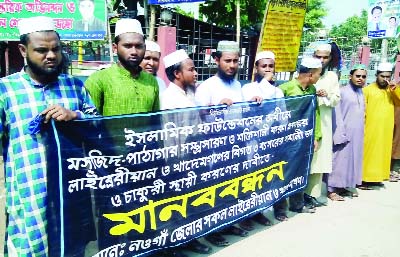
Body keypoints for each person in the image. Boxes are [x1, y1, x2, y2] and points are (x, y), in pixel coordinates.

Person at [0, 16, 98, 257]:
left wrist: (75, 116)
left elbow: (98, 125)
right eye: (42, 50)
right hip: (29, 194)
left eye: (56, 49)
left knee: (72, 247)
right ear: (23, 50)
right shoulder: (5, 90)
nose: (51, 56)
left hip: (71, 194)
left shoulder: (75, 86)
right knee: (30, 248)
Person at [195, 40, 259, 247]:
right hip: (215, 146)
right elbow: (197, 117)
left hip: (236, 143)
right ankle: (212, 230)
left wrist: (253, 103)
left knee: (233, 185)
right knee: (215, 187)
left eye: (235, 61)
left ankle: (228, 223)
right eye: (227, 61)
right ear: (216, 60)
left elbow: (240, 111)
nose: (232, 65)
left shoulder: (238, 85)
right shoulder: (207, 87)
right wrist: (217, 108)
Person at [159, 49, 212, 256]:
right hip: (177, 162)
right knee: (175, 204)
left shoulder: (190, 93)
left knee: (191, 202)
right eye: (191, 69)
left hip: (194, 159)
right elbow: (169, 137)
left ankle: (191, 239)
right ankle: (175, 245)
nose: (196, 73)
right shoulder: (169, 99)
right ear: (177, 74)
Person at [273, 57, 322, 217]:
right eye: (318, 74)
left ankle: (297, 205)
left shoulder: (312, 90)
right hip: (285, 140)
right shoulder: (285, 89)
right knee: (283, 173)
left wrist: (316, 136)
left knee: (300, 172)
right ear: (310, 74)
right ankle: (279, 209)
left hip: (304, 139)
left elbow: (315, 113)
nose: (319, 78)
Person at [239, 50, 281, 229]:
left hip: (269, 142)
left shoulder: (277, 91)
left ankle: (259, 211)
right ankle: (246, 214)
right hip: (252, 142)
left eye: (270, 66)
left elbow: (282, 115)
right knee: (249, 177)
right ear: (256, 68)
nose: (267, 69)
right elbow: (246, 114)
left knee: (264, 178)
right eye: (263, 66)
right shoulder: (247, 89)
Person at [85, 18, 159, 116]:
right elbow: (89, 121)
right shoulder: (98, 80)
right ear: (115, 48)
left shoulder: (151, 81)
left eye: (139, 46)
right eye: (127, 46)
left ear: (144, 47)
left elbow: (156, 121)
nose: (134, 52)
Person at [304, 43, 340, 207]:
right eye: (318, 56)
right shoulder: (305, 72)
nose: (322, 60)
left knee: (319, 161)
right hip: (306, 122)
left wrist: (325, 96)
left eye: (325, 57)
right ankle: (298, 194)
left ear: (330, 58)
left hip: (324, 123)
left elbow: (336, 99)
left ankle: (312, 194)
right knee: (304, 159)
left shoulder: (332, 77)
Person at [326, 64, 367, 201]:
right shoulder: (342, 91)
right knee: (338, 161)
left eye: (363, 76)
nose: (360, 79)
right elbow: (337, 114)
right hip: (343, 132)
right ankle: (331, 190)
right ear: (350, 76)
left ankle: (343, 186)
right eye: (358, 76)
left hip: (357, 134)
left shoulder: (361, 92)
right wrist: (339, 133)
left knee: (351, 161)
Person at [360, 62, 400, 189]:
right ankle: (364, 179)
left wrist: (394, 89)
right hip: (371, 129)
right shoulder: (367, 90)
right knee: (369, 154)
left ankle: (377, 178)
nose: (385, 79)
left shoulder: (391, 90)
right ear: (377, 75)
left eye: (388, 77)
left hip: (386, 130)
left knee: (383, 153)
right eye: (382, 76)